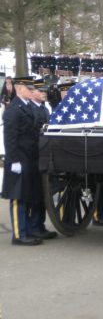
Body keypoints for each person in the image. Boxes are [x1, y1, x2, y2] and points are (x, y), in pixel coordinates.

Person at [1, 77, 43, 245]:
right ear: (19, 89)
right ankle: (19, 235)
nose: (31, 91)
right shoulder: (13, 110)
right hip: (19, 159)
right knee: (19, 198)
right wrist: (14, 160)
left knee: (28, 195)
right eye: (28, 88)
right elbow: (10, 138)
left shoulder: (27, 107)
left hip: (30, 157)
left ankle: (28, 230)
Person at [29, 79, 58, 240]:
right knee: (36, 195)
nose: (43, 94)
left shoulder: (43, 109)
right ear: (32, 92)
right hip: (35, 155)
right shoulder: (33, 110)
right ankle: (34, 226)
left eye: (44, 91)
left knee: (42, 194)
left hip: (43, 154)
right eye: (40, 91)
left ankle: (39, 225)